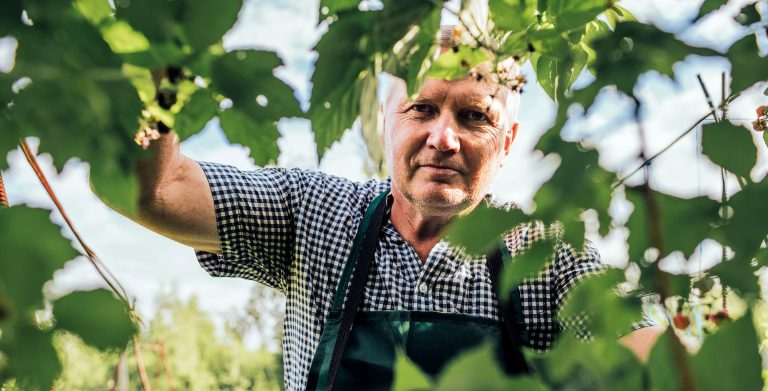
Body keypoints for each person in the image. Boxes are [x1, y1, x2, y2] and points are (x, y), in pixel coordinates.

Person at [125, 31, 664, 391]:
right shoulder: (312, 214)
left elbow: (658, 365)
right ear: (387, 121)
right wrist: (163, 67)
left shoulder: (546, 254)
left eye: (475, 116)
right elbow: (159, 192)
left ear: (507, 142)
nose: (443, 138)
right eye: (422, 109)